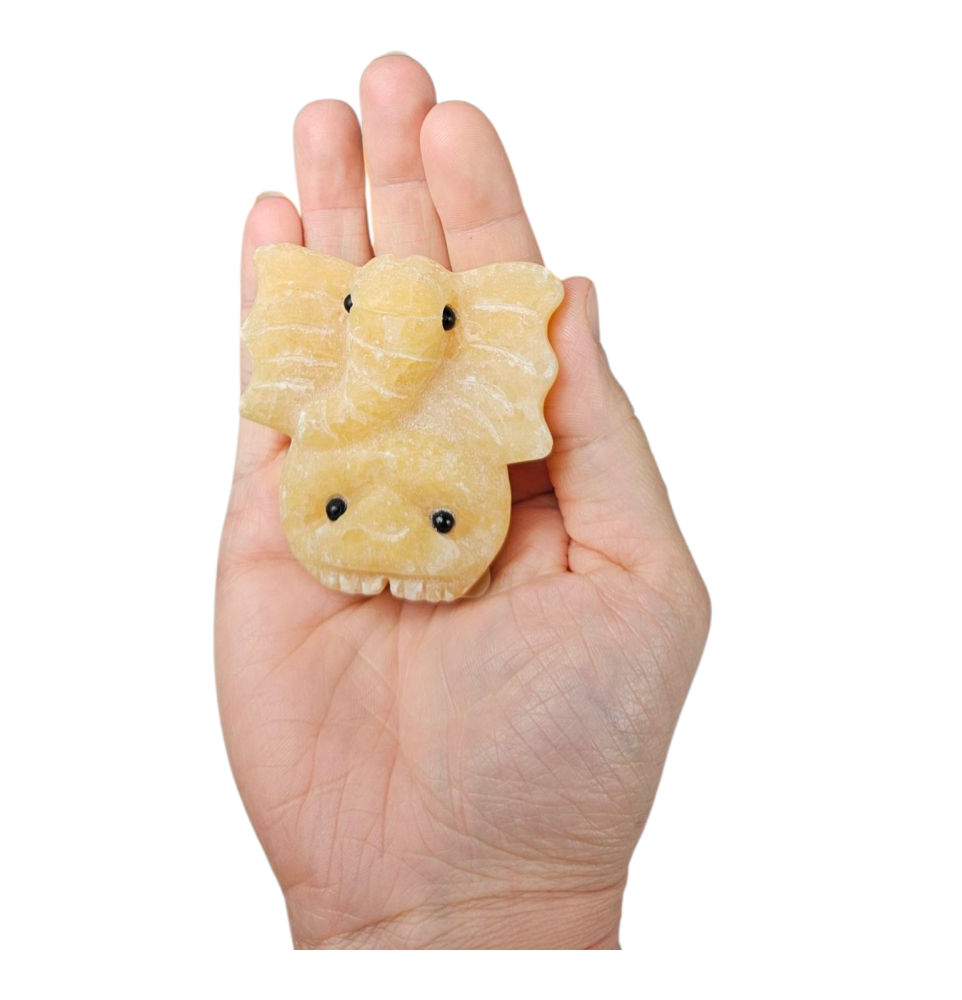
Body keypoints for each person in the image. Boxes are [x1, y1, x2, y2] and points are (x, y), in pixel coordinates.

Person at [214, 52, 710, 950]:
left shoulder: (487, 377)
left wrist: (514, 904)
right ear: (321, 319)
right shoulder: (312, 380)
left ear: (479, 333)